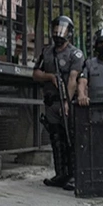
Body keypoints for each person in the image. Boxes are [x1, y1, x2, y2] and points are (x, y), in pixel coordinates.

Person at [32, 16, 84, 190]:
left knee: (71, 138)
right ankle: (60, 174)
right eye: (55, 30)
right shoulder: (47, 52)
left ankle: (75, 175)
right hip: (50, 102)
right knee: (56, 139)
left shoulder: (75, 54)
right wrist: (50, 77)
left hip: (67, 102)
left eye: (62, 30)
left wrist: (66, 101)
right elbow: (36, 73)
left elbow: (73, 79)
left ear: (69, 33)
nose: (58, 34)